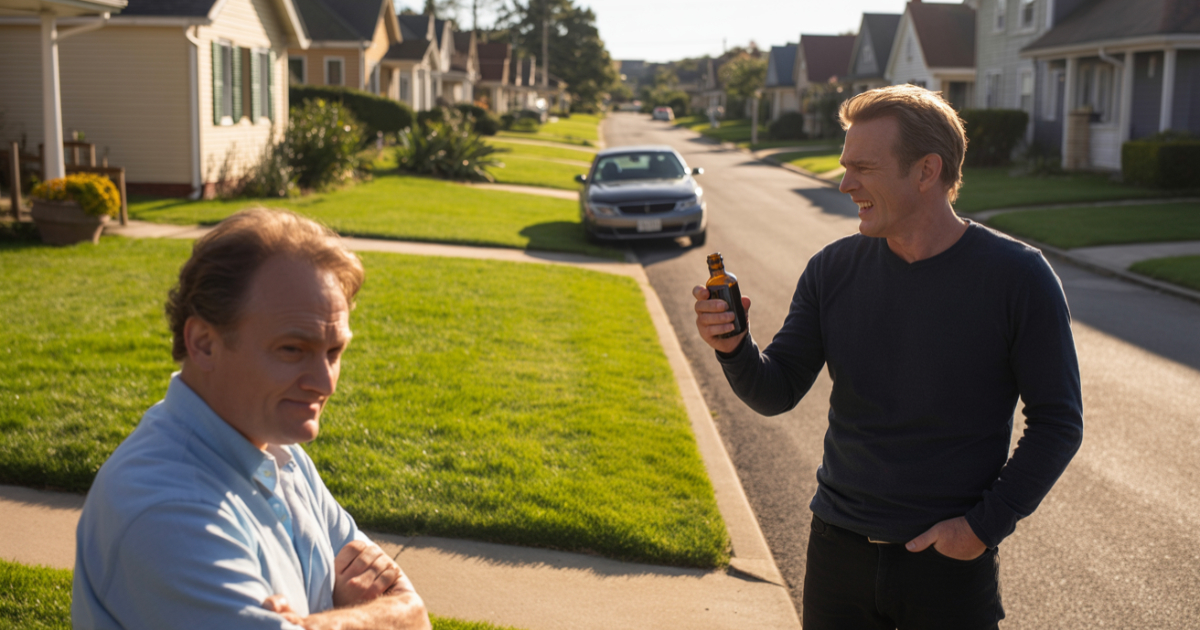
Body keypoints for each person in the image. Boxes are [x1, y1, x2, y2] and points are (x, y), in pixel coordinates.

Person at [692, 85, 1083, 629]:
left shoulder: (1019, 278)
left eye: (864, 168)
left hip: (946, 569)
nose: (845, 184)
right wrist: (734, 349)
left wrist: (981, 529)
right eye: (845, 166)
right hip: (837, 555)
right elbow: (775, 390)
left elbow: (1058, 423)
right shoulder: (832, 270)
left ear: (926, 171)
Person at [73, 209, 431, 630]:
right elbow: (405, 611)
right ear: (204, 343)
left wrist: (313, 623)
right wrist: (396, 617)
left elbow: (379, 586)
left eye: (334, 352)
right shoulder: (166, 511)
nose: (324, 383)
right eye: (292, 349)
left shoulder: (275, 448)